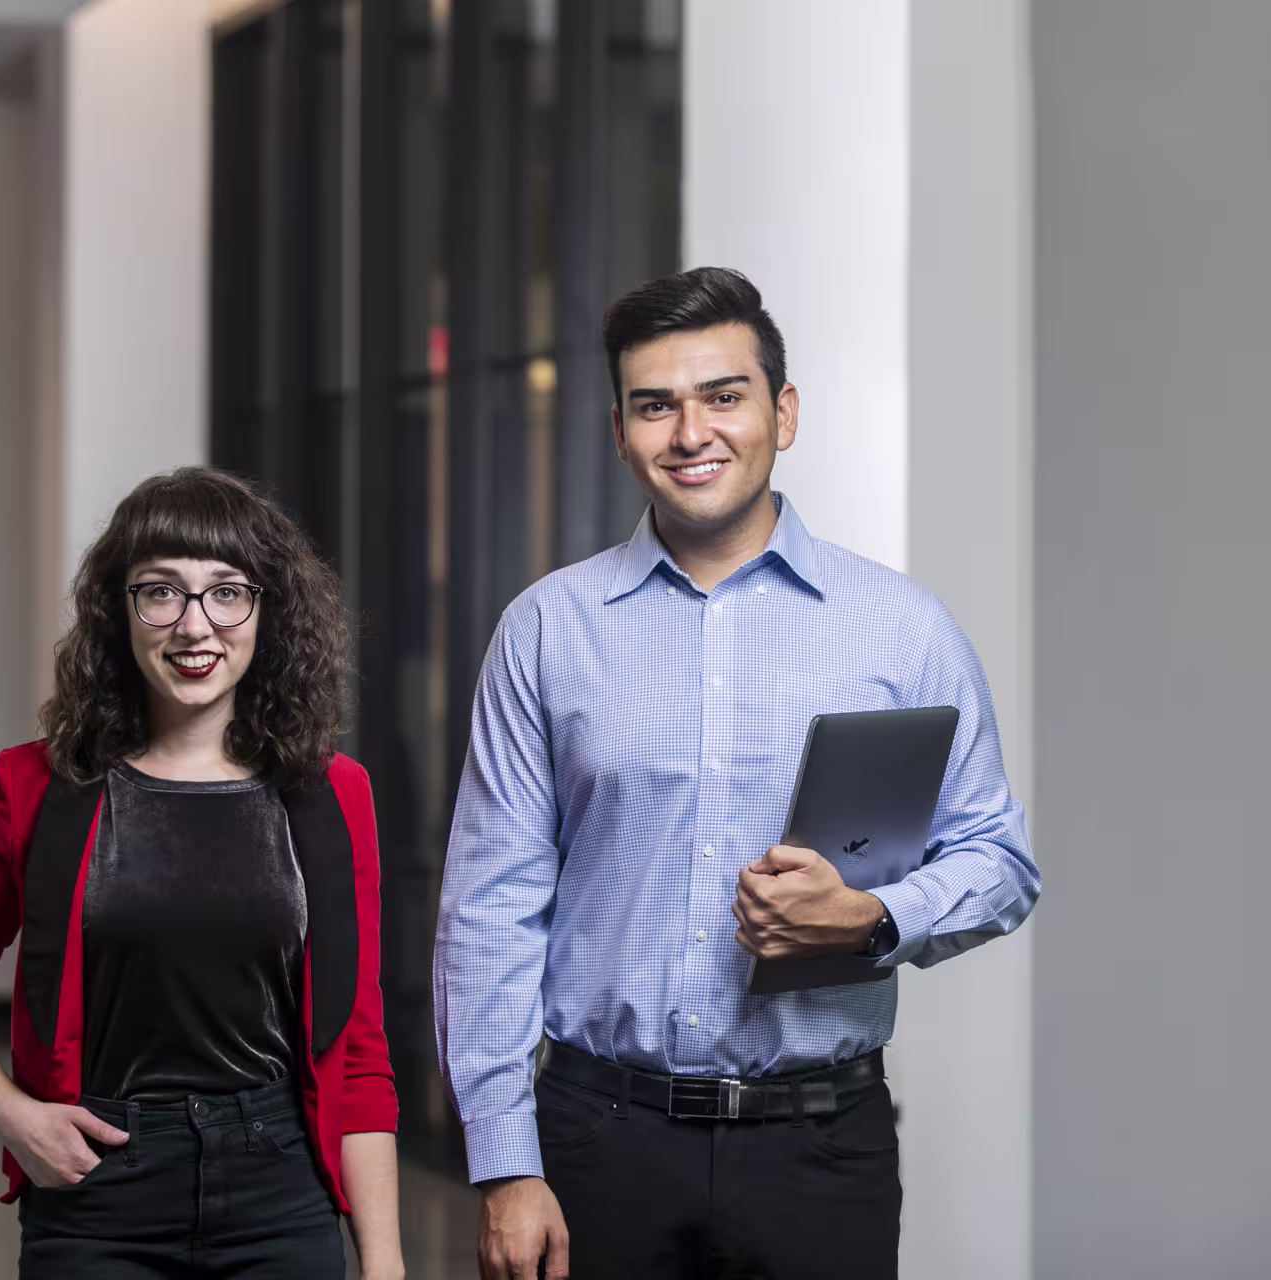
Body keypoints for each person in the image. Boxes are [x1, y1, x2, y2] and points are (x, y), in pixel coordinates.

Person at [434, 267, 1040, 1279]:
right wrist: (504, 1162)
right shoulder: (547, 631)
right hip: (598, 1141)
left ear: (782, 412)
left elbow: (1001, 858)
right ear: (620, 432)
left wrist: (873, 915)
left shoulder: (899, 627)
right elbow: (490, 907)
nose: (691, 431)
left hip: (820, 1144)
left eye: (724, 395)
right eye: (655, 404)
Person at [0, 466, 404, 1280]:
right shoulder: (36, 789)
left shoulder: (336, 795)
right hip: (99, 1197)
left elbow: (361, 1050)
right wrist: (17, 1118)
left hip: (281, 1189)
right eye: (160, 592)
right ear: (117, 613)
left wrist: (385, 1262)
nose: (195, 626)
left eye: (227, 592)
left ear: (266, 612)